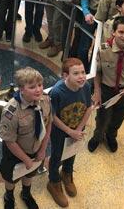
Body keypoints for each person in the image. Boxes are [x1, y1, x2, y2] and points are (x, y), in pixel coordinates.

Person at [87, 16, 124, 153]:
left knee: (118, 118)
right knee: (102, 117)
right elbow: (97, 72)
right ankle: (97, 136)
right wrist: (97, 92)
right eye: (121, 32)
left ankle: (111, 136)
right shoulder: (104, 50)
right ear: (114, 32)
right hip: (106, 90)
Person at [0, 67, 51, 209]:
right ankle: (9, 195)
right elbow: (9, 141)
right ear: (21, 89)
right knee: (11, 178)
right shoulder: (11, 111)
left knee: (30, 174)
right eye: (32, 87)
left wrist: (43, 150)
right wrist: (26, 159)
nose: (38, 90)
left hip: (36, 149)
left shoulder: (45, 100)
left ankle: (26, 194)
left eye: (40, 85)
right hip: (15, 153)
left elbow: (49, 123)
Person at [47, 58, 93, 208]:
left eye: (83, 72)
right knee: (57, 156)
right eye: (76, 73)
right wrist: (69, 131)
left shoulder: (85, 86)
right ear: (65, 76)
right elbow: (52, 116)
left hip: (77, 128)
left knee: (72, 152)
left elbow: (88, 108)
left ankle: (67, 173)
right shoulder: (57, 92)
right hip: (60, 132)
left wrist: (78, 130)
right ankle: (54, 181)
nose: (81, 76)